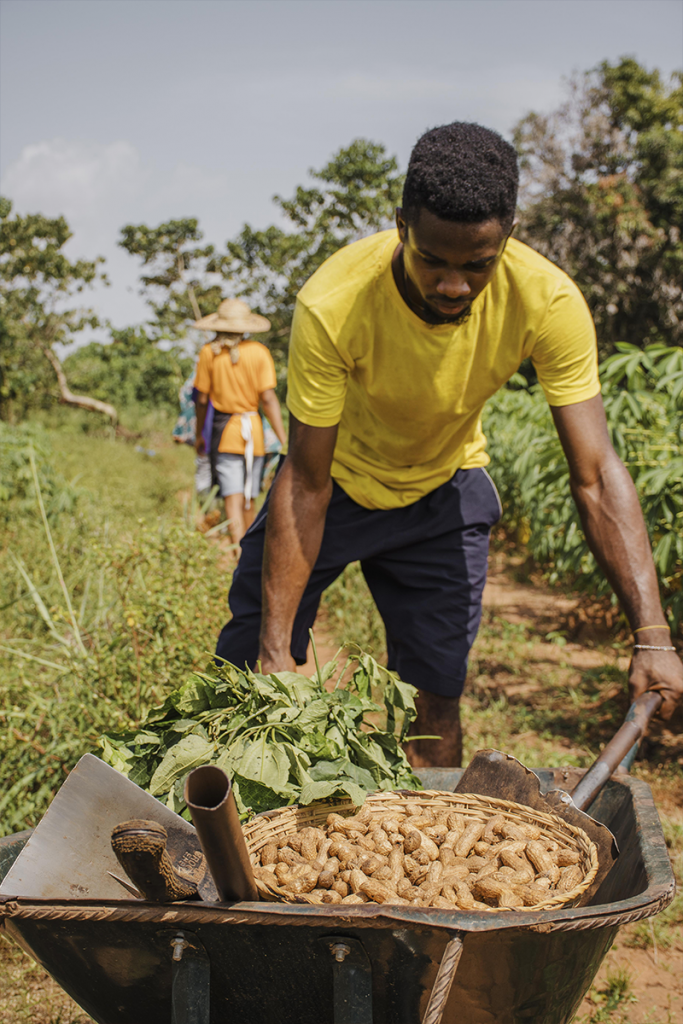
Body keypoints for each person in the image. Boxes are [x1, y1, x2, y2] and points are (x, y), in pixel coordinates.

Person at [215, 122, 683, 767]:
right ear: (401, 225)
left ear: (508, 237)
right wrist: (275, 650)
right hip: (338, 483)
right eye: (433, 259)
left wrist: (653, 637)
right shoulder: (335, 302)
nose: (454, 286)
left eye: (477, 265)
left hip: (444, 490)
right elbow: (307, 479)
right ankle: (235, 844)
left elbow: (598, 474)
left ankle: (428, 849)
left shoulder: (547, 301)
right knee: (246, 678)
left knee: (434, 699)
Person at [193, 298, 287, 549]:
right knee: (249, 496)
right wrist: (283, 438)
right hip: (253, 433)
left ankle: (239, 549)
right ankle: (250, 548)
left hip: (224, 433)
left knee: (232, 497)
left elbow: (201, 401)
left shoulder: (208, 353)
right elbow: (268, 400)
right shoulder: (259, 353)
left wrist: (199, 434)